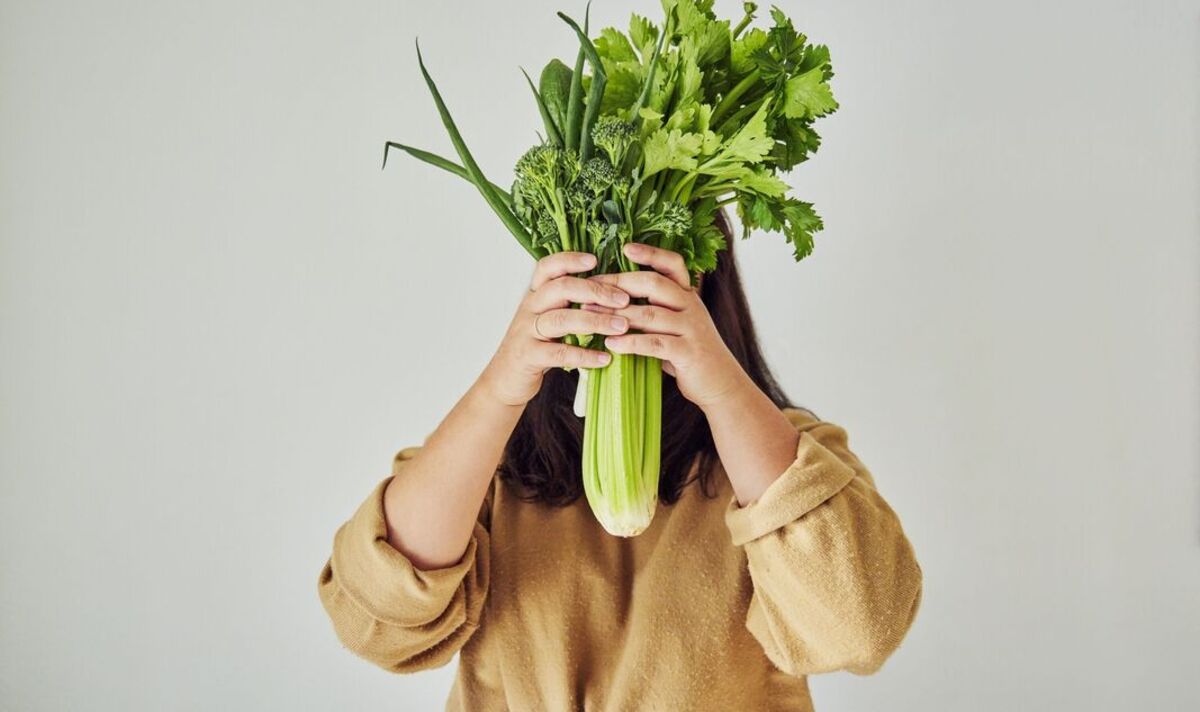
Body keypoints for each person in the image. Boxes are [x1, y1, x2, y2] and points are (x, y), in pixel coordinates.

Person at [317, 210, 922, 711]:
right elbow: (375, 620)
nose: (625, 304)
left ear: (709, 292)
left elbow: (861, 626)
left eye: (655, 282)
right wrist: (503, 383)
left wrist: (724, 388)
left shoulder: (790, 456)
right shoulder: (492, 465)